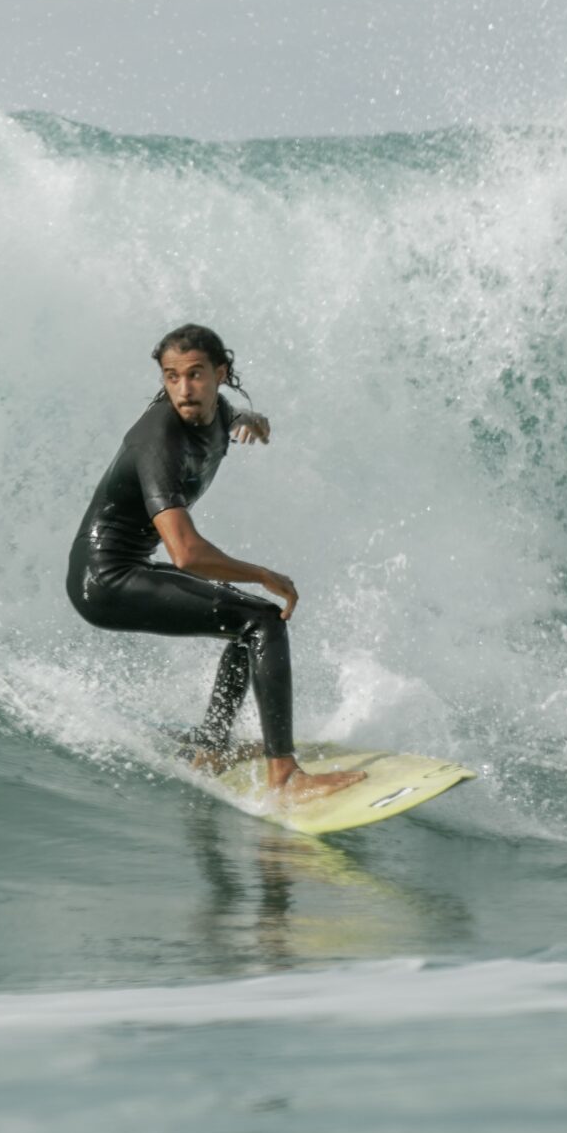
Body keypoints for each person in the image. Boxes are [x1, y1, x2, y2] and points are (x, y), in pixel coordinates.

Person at [65, 325, 364, 806]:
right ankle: (285, 779)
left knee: (243, 617)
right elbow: (186, 553)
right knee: (262, 619)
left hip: (124, 568)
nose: (184, 389)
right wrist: (266, 574)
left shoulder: (218, 411)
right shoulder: (157, 439)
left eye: (196, 375)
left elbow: (232, 413)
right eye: (172, 377)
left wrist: (254, 418)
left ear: (219, 374)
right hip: (104, 579)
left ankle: (211, 747)